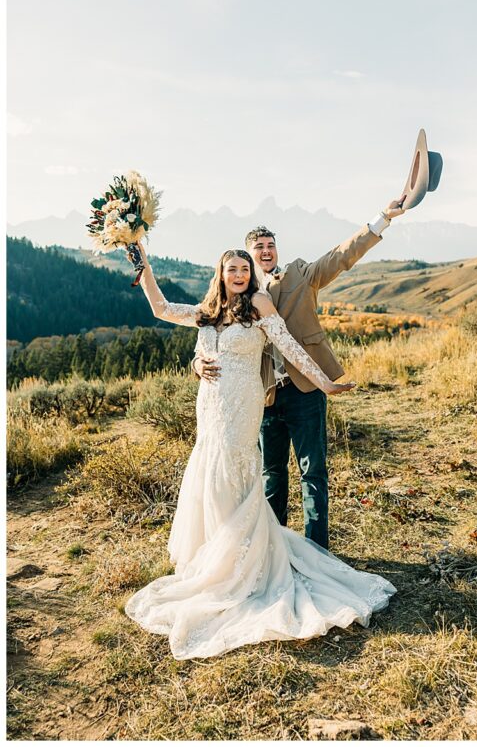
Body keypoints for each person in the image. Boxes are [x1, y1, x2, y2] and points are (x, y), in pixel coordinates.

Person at [124, 243, 395, 660]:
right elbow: (160, 308)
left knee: (236, 471)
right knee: (210, 471)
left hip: (243, 403)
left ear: (251, 274)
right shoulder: (208, 310)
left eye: (244, 269)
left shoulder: (259, 305)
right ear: (221, 273)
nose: (239, 275)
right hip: (210, 405)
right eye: (232, 269)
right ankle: (214, 557)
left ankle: (240, 564)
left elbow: (289, 347)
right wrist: (144, 265)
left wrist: (324, 382)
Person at [193, 199, 405, 549]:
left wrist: (382, 219)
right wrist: (196, 364)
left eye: (270, 245)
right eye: (258, 247)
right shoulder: (236, 296)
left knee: (313, 473)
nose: (266, 251)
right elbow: (210, 337)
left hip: (305, 389)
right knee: (271, 475)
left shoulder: (300, 274)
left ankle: (317, 550)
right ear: (246, 258)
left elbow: (342, 255)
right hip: (259, 396)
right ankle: (272, 550)